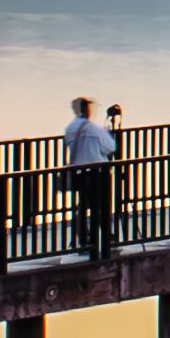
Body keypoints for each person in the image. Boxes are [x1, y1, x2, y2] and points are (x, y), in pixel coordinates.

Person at [62, 96, 115, 257]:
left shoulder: (70, 128)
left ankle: (84, 239)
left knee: (82, 205)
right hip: (98, 172)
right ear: (86, 109)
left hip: (79, 173)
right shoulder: (93, 128)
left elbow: (68, 144)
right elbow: (110, 147)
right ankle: (104, 237)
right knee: (101, 205)